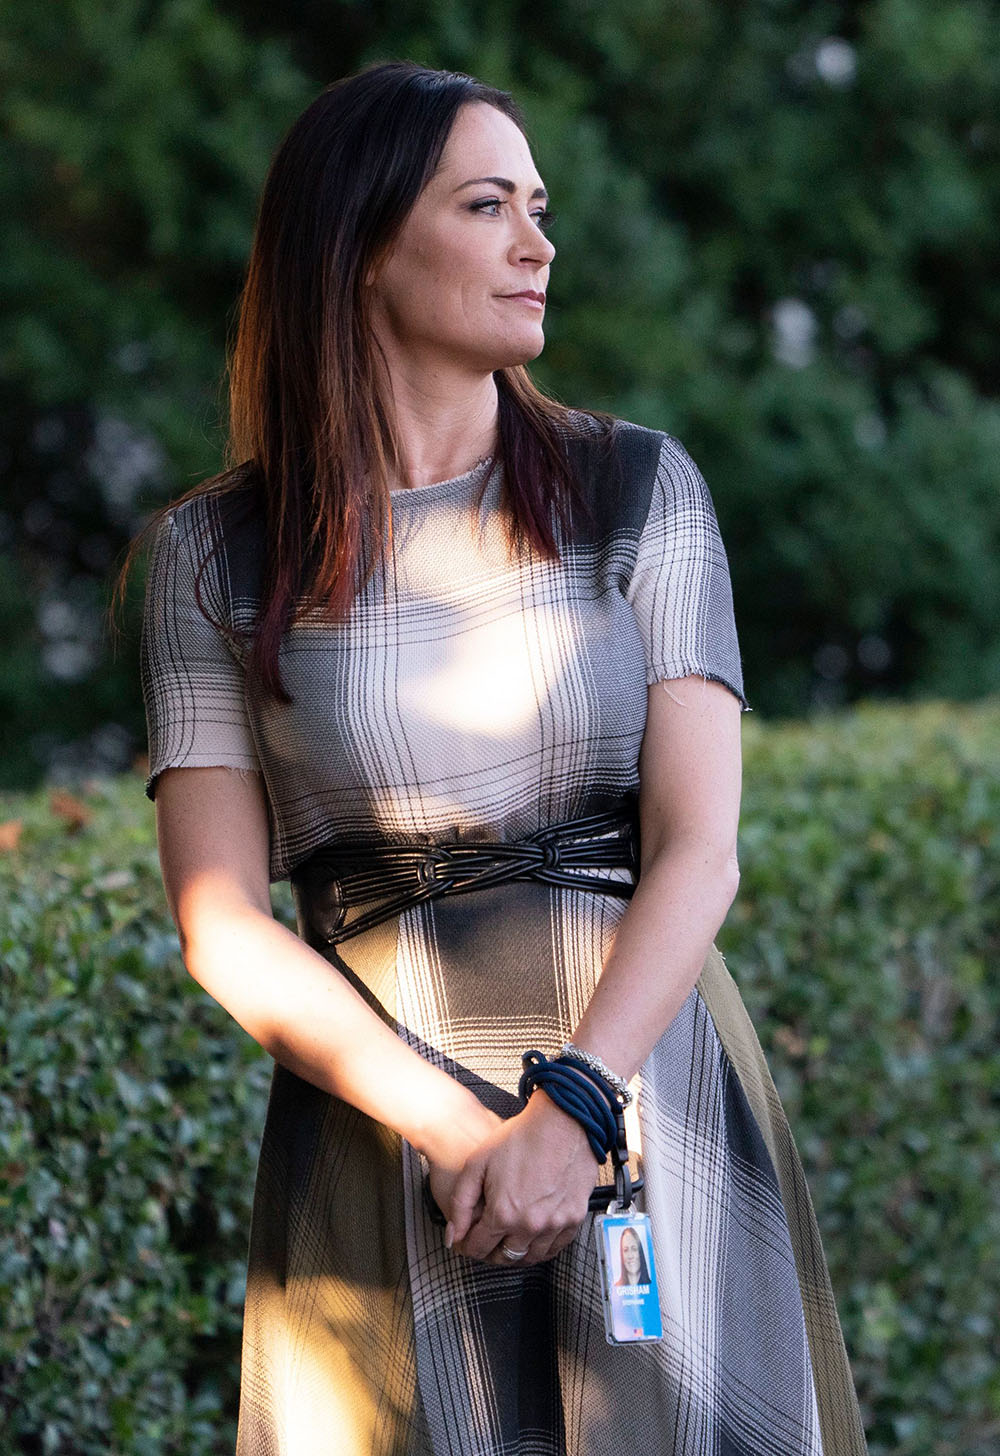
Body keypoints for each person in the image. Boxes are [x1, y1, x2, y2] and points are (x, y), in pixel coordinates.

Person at [124, 58, 869, 1456]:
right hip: (380, 1113)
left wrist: (574, 1109)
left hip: (642, 1083)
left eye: (539, 205)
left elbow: (700, 847)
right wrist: (463, 1134)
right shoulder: (212, 555)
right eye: (489, 206)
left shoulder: (636, 487)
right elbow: (219, 921)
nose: (541, 245)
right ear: (357, 249)